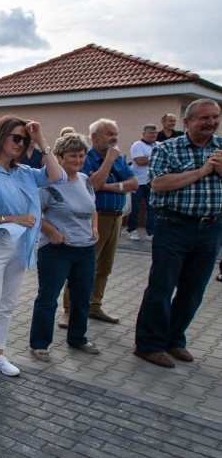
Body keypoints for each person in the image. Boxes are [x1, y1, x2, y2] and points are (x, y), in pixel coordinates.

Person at [0, 115, 65, 392]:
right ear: (1, 136)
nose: (21, 143)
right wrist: (12, 219)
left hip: (19, 247)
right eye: (16, 137)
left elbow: (56, 176)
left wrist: (42, 141)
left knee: (7, 305)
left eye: (25, 140)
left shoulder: (22, 172)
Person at [134, 98, 222, 368]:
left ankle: (174, 340)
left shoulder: (221, 148)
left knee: (193, 289)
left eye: (215, 117)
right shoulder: (167, 149)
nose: (211, 122)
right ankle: (149, 344)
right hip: (174, 225)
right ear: (188, 122)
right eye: (204, 118)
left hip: (210, 227)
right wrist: (203, 170)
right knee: (162, 286)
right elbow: (158, 183)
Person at [58, 118, 137, 328]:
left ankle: (95, 305)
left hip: (116, 216)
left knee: (104, 267)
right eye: (109, 133)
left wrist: (110, 186)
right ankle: (69, 310)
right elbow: (91, 186)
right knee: (82, 267)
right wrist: (109, 163)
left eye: (115, 133)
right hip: (95, 218)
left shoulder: (118, 158)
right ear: (94, 137)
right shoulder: (88, 157)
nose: (114, 138)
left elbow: (134, 183)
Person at [29, 133, 100, 362]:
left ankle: (77, 338)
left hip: (86, 249)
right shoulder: (48, 184)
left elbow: (93, 208)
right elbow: (34, 214)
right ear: (59, 158)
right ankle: (40, 343)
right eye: (73, 156)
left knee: (82, 296)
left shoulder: (84, 180)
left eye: (81, 155)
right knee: (48, 298)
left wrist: (95, 227)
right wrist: (51, 231)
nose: (78, 160)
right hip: (57, 250)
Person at [127, 124, 158, 241]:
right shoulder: (137, 145)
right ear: (144, 133)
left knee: (152, 208)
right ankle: (132, 230)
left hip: (152, 181)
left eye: (155, 133)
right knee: (135, 207)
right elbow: (140, 161)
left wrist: (149, 157)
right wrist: (155, 157)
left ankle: (151, 232)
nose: (153, 135)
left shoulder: (158, 145)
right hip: (138, 181)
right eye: (151, 133)